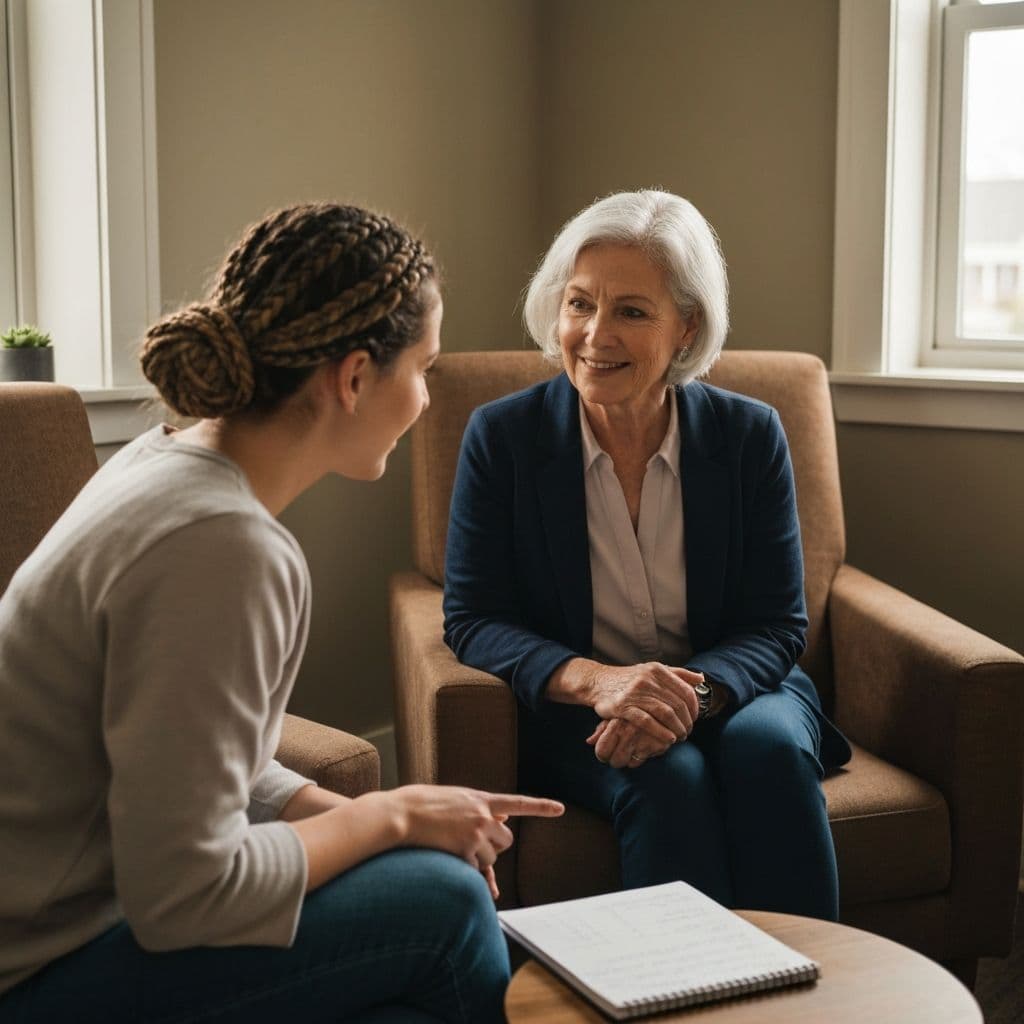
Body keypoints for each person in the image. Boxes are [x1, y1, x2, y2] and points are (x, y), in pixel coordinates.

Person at [0, 202, 563, 1024]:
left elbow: (190, 758)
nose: (427, 401)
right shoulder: (225, 547)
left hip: (62, 926)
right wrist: (391, 812)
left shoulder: (160, 463)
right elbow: (185, 895)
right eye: (424, 370)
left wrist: (362, 822)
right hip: (37, 970)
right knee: (444, 905)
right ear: (355, 377)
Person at [443, 189, 851, 922]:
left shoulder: (749, 436)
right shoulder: (502, 437)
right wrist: (599, 682)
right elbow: (473, 617)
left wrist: (683, 696)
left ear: (686, 327)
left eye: (632, 311)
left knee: (767, 753)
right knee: (667, 777)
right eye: (579, 304)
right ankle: (678, 996)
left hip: (735, 690)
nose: (595, 334)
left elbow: (777, 623)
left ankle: (810, 993)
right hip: (581, 712)